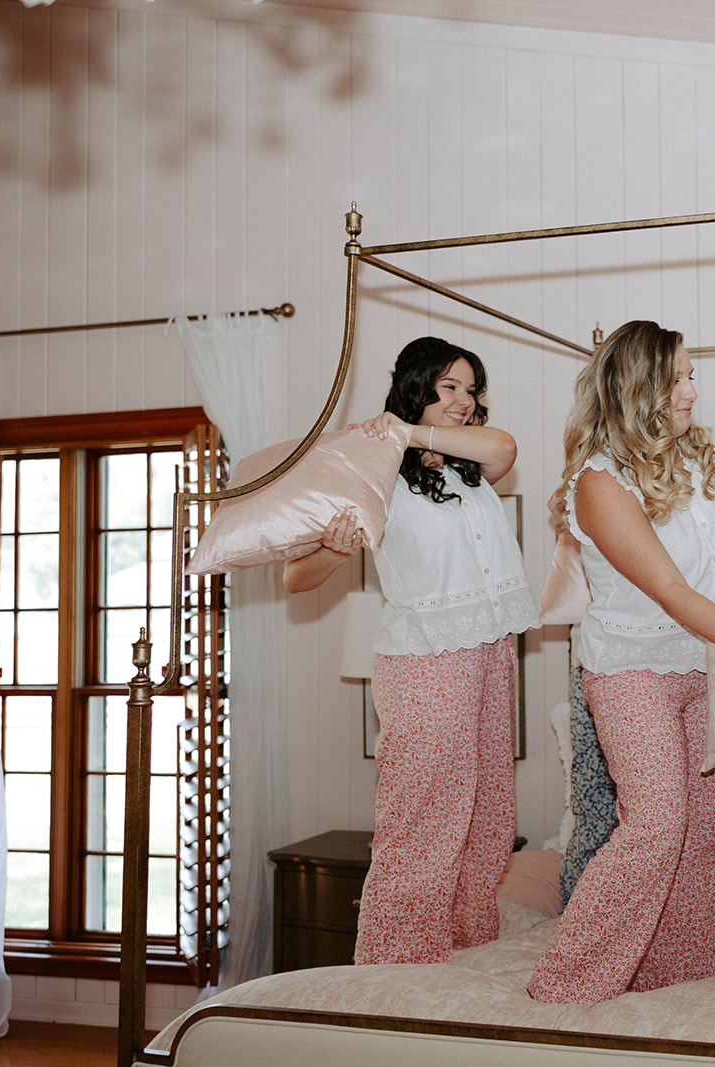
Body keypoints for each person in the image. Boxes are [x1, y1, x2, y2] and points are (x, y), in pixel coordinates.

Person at [528, 320, 715, 1004]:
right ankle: (568, 987)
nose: (692, 390)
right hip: (631, 669)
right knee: (658, 822)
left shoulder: (705, 459)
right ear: (639, 386)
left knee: (711, 830)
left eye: (691, 376)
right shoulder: (599, 482)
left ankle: (674, 987)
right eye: (679, 377)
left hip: (704, 666)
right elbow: (673, 592)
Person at [283, 336, 540, 965]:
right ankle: (398, 962)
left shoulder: (468, 465)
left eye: (471, 389)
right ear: (416, 387)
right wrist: (336, 550)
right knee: (424, 813)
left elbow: (504, 446)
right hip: (426, 658)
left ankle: (466, 944)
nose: (463, 400)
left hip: (489, 648)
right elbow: (295, 578)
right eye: (448, 386)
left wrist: (409, 431)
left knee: (486, 811)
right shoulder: (373, 469)